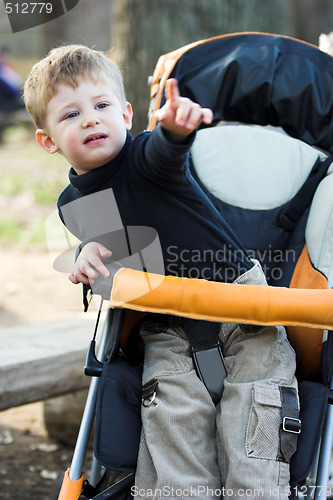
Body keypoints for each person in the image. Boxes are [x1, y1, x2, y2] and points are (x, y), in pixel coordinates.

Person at [24, 45, 299, 499]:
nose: (92, 119)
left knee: (254, 419)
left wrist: (173, 131)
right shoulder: (71, 206)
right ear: (48, 139)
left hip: (241, 309)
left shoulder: (148, 161)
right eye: (71, 114)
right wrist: (86, 254)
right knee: (173, 425)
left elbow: (164, 154)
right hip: (166, 326)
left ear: (128, 114)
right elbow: (119, 256)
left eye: (102, 106)